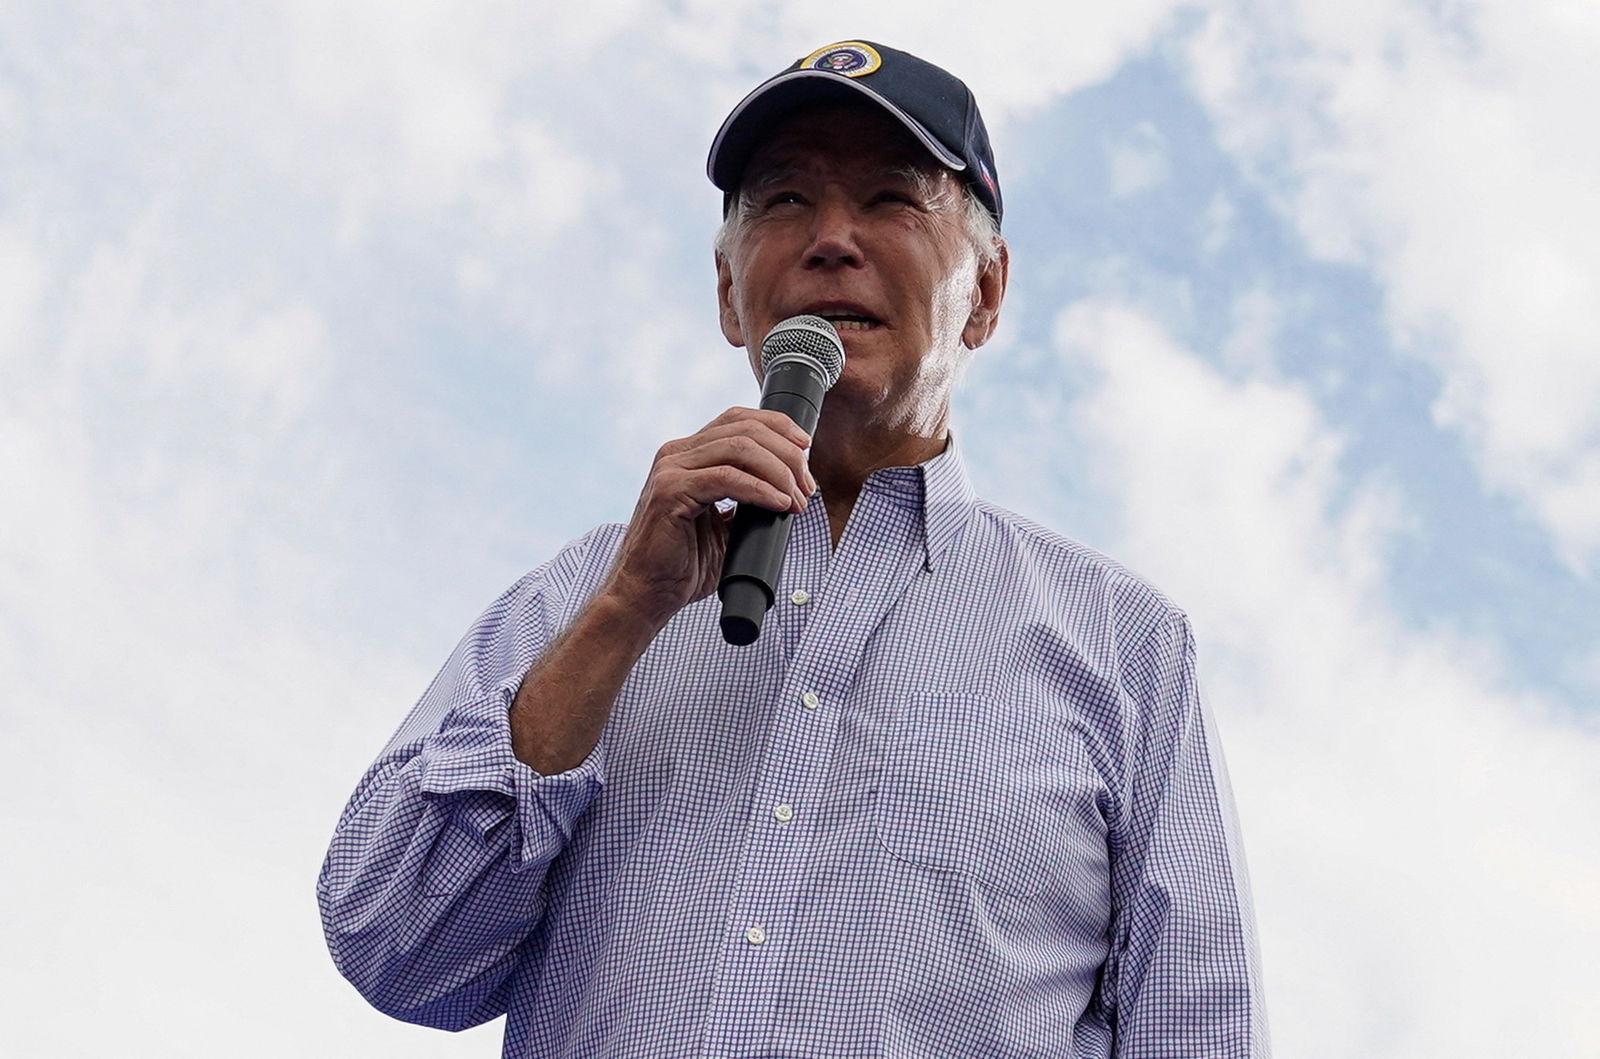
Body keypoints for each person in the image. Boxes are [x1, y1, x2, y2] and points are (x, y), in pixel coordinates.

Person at [319, 39, 1269, 1058]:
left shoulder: (1123, 646)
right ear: (729, 293)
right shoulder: (580, 597)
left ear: (986, 293)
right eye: (782, 202)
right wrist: (619, 620)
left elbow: (1196, 1033)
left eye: (892, 199)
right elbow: (398, 949)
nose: (830, 239)